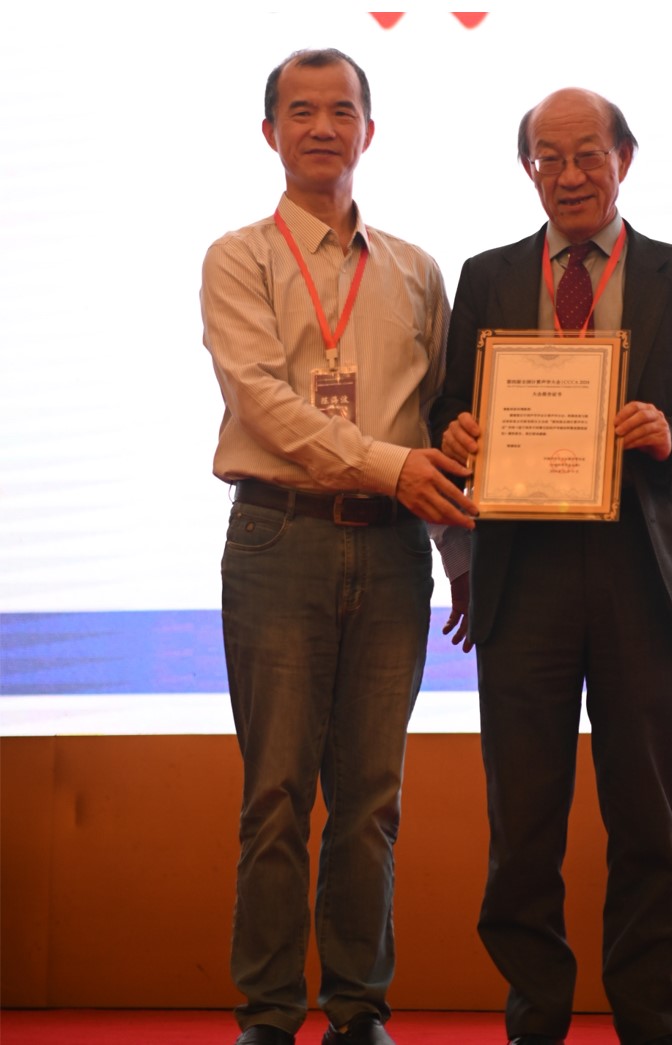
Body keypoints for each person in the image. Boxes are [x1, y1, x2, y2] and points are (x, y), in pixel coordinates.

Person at [430, 87, 672, 1045]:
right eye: (548, 157)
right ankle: (535, 1015)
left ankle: (649, 1016)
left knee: (645, 819)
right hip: (521, 572)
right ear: (527, 167)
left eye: (587, 155)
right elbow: (446, 408)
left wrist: (671, 433)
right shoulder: (487, 277)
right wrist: (454, 433)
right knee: (522, 821)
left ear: (624, 159)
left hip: (640, 574)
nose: (568, 175)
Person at [202, 46, 471, 1045]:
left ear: (370, 129)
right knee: (275, 794)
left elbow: (439, 426)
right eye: (302, 110)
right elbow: (262, 402)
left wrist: (460, 557)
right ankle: (270, 1016)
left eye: (342, 110)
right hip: (280, 536)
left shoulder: (417, 270)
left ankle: (358, 1011)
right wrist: (390, 465)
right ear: (270, 132)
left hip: (395, 552)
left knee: (371, 800)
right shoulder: (238, 257)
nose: (323, 127)